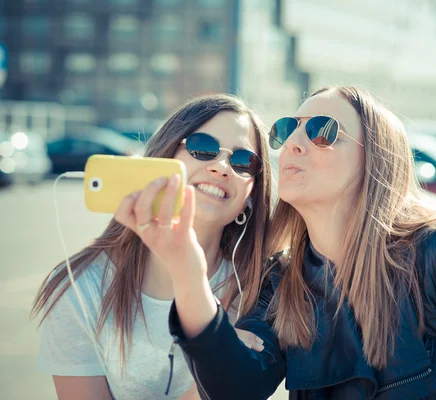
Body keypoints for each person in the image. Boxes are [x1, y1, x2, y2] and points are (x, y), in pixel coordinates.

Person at [117, 86, 436, 399]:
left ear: (375, 158)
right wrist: (187, 271)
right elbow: (235, 389)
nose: (293, 144)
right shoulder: (282, 283)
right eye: (288, 129)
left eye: (322, 130)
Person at [32, 94, 272, 400]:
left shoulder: (259, 287)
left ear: (251, 195)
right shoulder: (79, 288)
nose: (222, 167)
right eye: (203, 148)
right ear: (163, 158)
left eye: (243, 161)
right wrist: (218, 355)